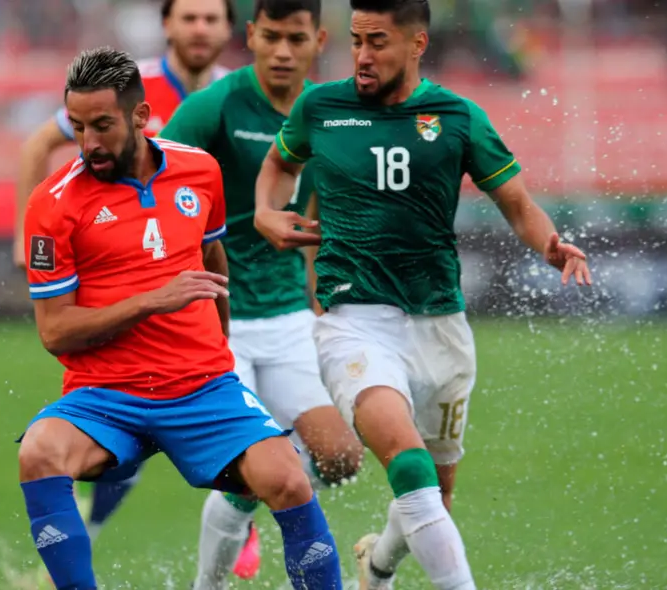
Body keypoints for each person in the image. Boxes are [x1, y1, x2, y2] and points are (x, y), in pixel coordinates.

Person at [253, 1, 593, 588]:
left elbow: (517, 204)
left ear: (416, 44)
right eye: (357, 41)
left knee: (435, 494)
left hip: (439, 324)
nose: (362, 56)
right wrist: (265, 212)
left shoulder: (456, 117)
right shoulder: (321, 107)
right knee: (409, 468)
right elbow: (278, 164)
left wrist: (552, 245)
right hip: (353, 322)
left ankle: (378, 564)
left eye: (377, 42)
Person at [18, 47, 344, 590]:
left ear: (140, 117)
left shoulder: (199, 171)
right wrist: (150, 301)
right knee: (39, 452)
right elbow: (54, 331)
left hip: (201, 388)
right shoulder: (52, 204)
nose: (89, 143)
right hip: (106, 394)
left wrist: (218, 357)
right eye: (76, 127)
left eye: (102, 125)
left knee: (288, 478)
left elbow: (213, 263)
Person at [158, 0, 363, 587]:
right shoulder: (214, 108)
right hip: (220, 326)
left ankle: (248, 506)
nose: (282, 50)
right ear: (249, 36)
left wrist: (328, 304)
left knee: (341, 459)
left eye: (295, 38)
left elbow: (319, 223)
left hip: (289, 319)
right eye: (270, 36)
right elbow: (154, 185)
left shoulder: (331, 115)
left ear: (318, 40)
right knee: (252, 472)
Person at [14, 0, 236, 266]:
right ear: (167, 25)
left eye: (211, 20)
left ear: (228, 28)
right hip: (122, 256)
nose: (200, 30)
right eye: (189, 19)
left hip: (212, 254)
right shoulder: (128, 84)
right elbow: (37, 144)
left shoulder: (239, 96)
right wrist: (25, 241)